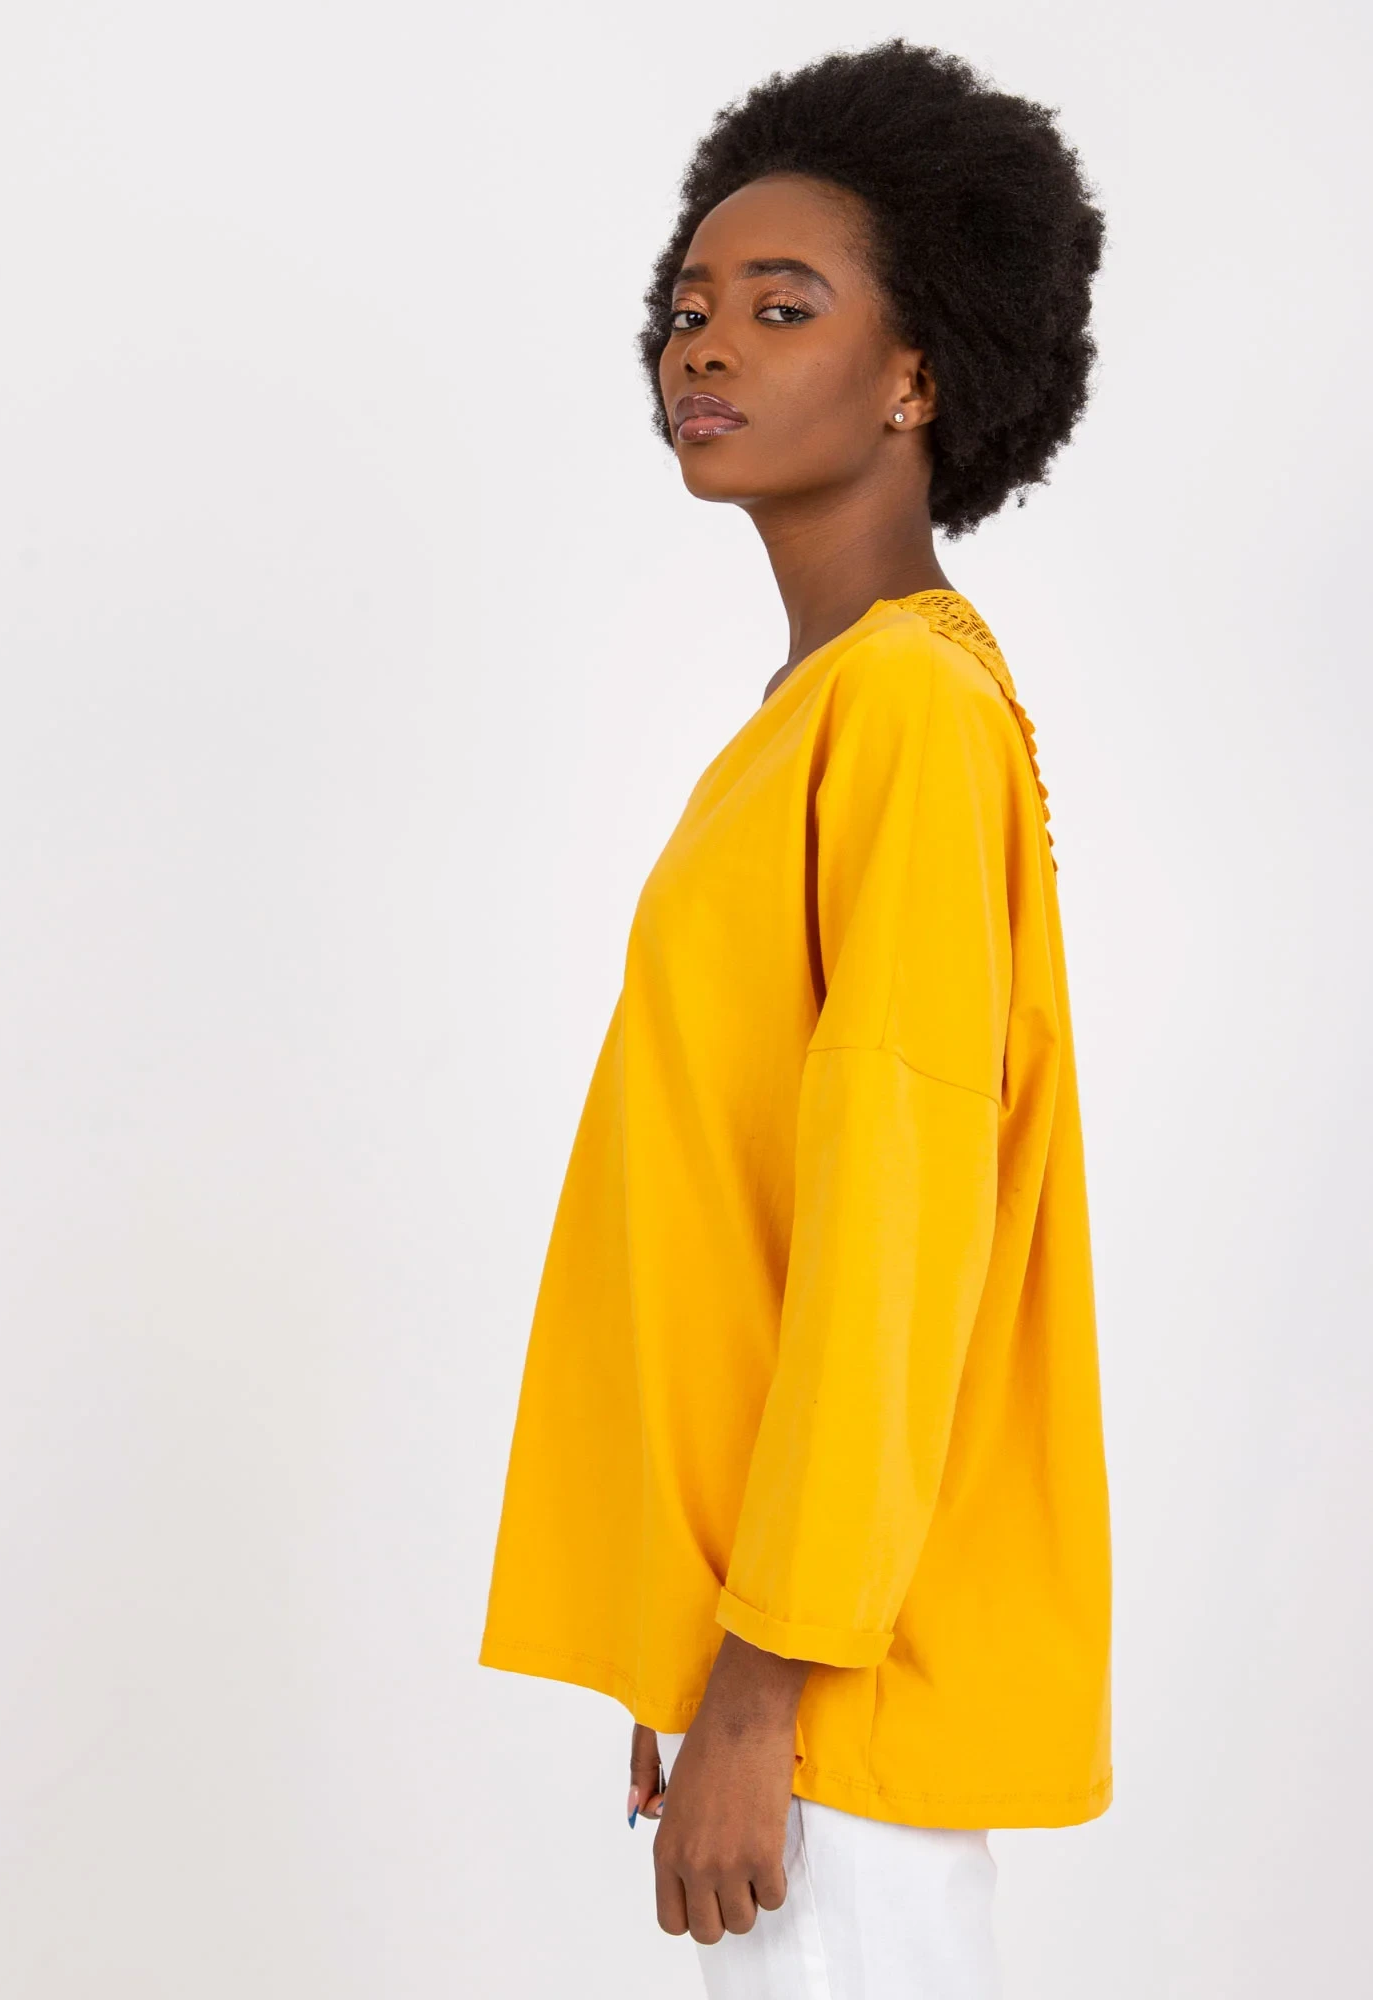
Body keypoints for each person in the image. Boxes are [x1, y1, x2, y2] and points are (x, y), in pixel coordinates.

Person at [479, 39, 1111, 1998]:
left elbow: (894, 1226)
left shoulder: (903, 709)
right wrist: (702, 1644)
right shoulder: (818, 710)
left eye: (781, 305)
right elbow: (744, 1207)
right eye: (688, 306)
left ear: (918, 371)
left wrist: (765, 1680)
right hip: (784, 1655)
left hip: (838, 1690)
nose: (705, 344)